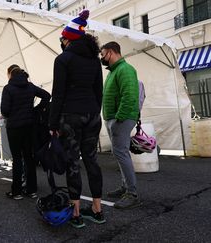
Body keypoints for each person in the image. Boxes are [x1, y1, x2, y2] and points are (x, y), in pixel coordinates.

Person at [49, 10, 105, 228]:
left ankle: (76, 214)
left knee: (73, 162)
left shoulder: (62, 60)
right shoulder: (94, 60)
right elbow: (98, 91)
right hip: (92, 115)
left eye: (62, 38)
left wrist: (52, 124)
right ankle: (98, 210)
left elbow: (58, 94)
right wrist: (94, 112)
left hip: (70, 117)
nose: (61, 42)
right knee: (92, 160)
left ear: (67, 38)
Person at [100, 41, 141, 209]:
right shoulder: (114, 71)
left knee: (121, 153)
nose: (102, 58)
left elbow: (130, 96)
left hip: (120, 119)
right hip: (114, 118)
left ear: (110, 52)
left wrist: (119, 118)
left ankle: (132, 193)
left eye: (103, 54)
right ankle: (125, 187)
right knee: (120, 154)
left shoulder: (125, 70)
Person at [1, 64, 51, 200]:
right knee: (29, 158)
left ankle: (16, 192)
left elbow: (4, 110)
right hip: (29, 126)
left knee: (17, 159)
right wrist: (36, 110)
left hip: (14, 128)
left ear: (10, 74)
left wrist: (11, 113)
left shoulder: (8, 88)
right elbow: (47, 95)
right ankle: (32, 190)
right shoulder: (30, 86)